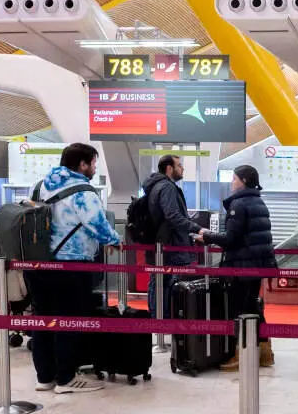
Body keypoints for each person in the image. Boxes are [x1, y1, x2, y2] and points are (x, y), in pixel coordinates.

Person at [29, 143, 122, 394]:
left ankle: (44, 377)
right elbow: (96, 224)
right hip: (71, 265)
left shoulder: (40, 186)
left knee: (43, 320)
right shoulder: (83, 191)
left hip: (37, 265)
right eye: (93, 163)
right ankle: (66, 378)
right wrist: (115, 240)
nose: (94, 168)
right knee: (69, 320)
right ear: (82, 164)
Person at [195, 165, 276, 370]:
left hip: (241, 266)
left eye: (234, 178)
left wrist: (207, 236)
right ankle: (265, 353)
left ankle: (241, 354)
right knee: (253, 307)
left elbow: (231, 239)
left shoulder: (238, 205)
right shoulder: (259, 202)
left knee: (238, 310)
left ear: (245, 181)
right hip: (257, 265)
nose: (232, 183)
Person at [142, 154, 202, 317]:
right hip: (170, 246)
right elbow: (173, 215)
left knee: (158, 282)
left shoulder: (155, 187)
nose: (182, 168)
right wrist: (197, 229)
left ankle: (157, 318)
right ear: (169, 168)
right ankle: (162, 321)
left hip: (160, 244)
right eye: (179, 165)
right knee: (165, 284)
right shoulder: (167, 187)